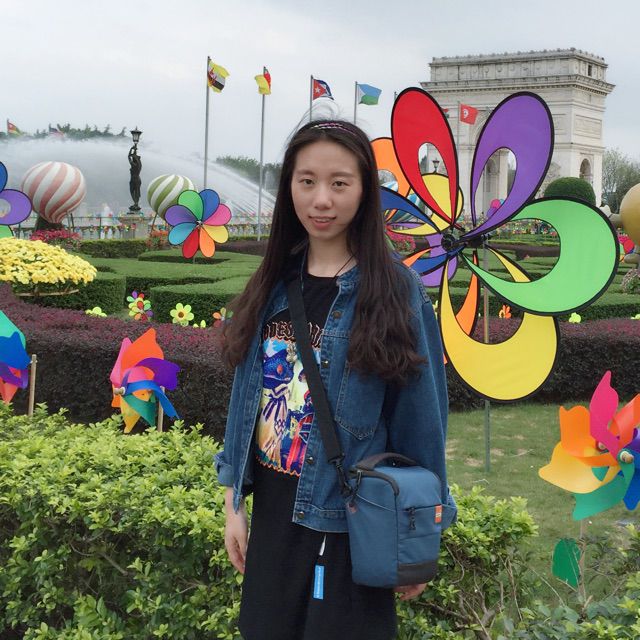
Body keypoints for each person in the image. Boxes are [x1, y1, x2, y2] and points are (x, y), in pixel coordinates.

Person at [215, 119, 453, 640]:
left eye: (339, 183)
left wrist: (421, 529)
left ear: (364, 190)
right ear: (290, 187)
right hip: (274, 514)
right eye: (307, 181)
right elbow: (244, 400)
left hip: (347, 519)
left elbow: (422, 419)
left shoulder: (396, 291)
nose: (321, 199)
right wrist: (234, 501)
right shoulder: (273, 281)